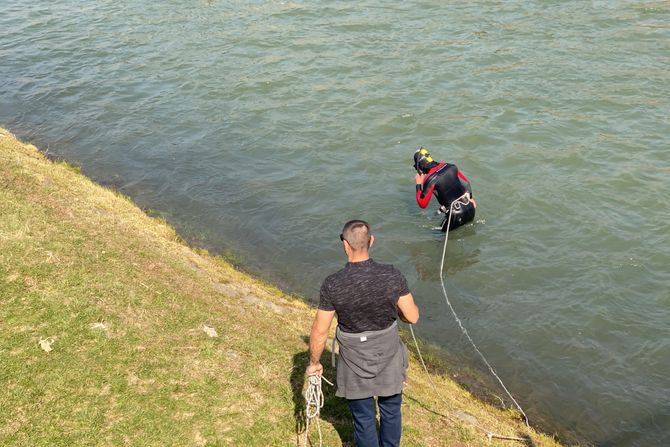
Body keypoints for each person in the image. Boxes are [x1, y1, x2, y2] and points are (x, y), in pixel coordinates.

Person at [306, 220, 420, 447]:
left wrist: (314, 362)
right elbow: (412, 317)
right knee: (391, 411)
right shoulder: (392, 275)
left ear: (345, 246)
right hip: (388, 354)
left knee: (364, 418)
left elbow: (320, 330)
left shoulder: (333, 284)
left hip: (353, 358)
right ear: (371, 242)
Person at [413, 147, 477, 232]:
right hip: (470, 207)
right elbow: (466, 182)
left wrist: (418, 184)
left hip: (455, 215)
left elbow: (422, 203)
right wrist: (471, 198)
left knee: (438, 237)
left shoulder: (430, 179)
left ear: (420, 166)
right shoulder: (450, 166)